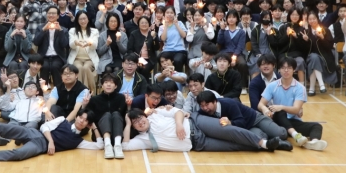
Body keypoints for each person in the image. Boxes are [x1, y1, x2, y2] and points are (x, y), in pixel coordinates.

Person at [0, 109, 102, 163]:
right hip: (35, 133)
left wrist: (95, 128)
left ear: (87, 124)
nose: (81, 121)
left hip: (39, 146)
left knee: (20, 154)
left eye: (85, 121)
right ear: (77, 117)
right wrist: (51, 141)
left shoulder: (78, 141)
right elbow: (44, 126)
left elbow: (99, 146)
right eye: (80, 117)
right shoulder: (63, 120)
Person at [122, 106, 285, 153]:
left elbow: (177, 112)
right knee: (233, 146)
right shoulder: (142, 139)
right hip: (198, 143)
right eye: (135, 123)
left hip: (196, 123)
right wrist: (127, 124)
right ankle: (269, 145)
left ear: (144, 116)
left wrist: (179, 124)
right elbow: (125, 146)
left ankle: (264, 143)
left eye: (140, 118)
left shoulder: (155, 114)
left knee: (229, 131)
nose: (140, 122)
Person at [258, 57, 327, 151]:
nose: (286, 70)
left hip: (293, 121)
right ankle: (296, 136)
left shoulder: (300, 88)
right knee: (280, 112)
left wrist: (281, 106)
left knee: (317, 126)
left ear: (294, 70)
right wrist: (265, 109)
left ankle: (314, 142)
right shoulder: (272, 86)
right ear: (279, 70)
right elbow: (260, 104)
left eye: (289, 68)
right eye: (283, 68)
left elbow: (296, 109)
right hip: (277, 122)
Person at [196, 91, 291, 149]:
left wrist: (230, 122)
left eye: (207, 105)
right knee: (258, 142)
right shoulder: (204, 111)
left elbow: (241, 122)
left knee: (281, 134)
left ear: (215, 101)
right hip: (247, 129)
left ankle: (279, 122)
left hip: (255, 118)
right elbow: (196, 115)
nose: (205, 108)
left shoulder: (229, 104)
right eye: (202, 106)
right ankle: (274, 141)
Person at [85, 73, 128, 159]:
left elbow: (126, 116)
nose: (108, 84)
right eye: (106, 82)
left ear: (116, 86)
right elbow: (88, 117)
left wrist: (129, 105)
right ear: (102, 85)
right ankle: (107, 145)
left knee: (116, 114)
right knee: (107, 115)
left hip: (118, 134)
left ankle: (117, 146)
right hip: (101, 135)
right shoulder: (94, 99)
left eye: (111, 82)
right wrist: (84, 105)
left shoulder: (121, 98)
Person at [32, 6, 69, 88]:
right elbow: (36, 42)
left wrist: (60, 31)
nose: (51, 15)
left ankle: (58, 90)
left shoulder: (63, 29)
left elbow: (65, 44)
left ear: (58, 16)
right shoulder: (40, 28)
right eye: (49, 13)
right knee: (44, 67)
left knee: (55, 67)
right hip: (44, 56)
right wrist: (43, 30)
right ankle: (42, 90)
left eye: (53, 13)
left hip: (57, 57)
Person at [302, 10, 337, 96]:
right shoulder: (306, 31)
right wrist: (306, 41)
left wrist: (322, 38)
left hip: (324, 57)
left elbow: (330, 46)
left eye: (314, 18)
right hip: (309, 57)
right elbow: (304, 49)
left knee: (314, 60)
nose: (312, 21)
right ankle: (321, 85)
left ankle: (312, 88)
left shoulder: (325, 30)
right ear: (308, 21)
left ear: (317, 19)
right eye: (310, 19)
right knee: (313, 57)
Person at [68, 11, 99, 92]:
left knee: (86, 68)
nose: (83, 21)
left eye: (84, 18)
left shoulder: (94, 31)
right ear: (77, 20)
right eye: (80, 19)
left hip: (89, 59)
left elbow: (95, 45)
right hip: (76, 59)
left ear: (88, 19)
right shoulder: (72, 31)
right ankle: (80, 91)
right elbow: (71, 45)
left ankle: (89, 91)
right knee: (79, 68)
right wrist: (76, 42)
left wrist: (89, 43)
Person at [277, 8, 308, 85]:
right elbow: (279, 43)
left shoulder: (302, 29)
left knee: (300, 61)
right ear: (289, 16)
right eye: (293, 15)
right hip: (284, 54)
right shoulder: (283, 27)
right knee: (283, 63)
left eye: (297, 15)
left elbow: (304, 47)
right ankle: (283, 84)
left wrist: (296, 37)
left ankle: (301, 85)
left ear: (299, 16)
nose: (295, 17)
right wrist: (286, 35)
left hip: (297, 54)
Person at [126, 15, 158, 81]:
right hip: (136, 59)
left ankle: (144, 84)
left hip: (149, 60)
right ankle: (136, 84)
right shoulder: (134, 34)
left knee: (144, 68)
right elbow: (129, 49)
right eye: (142, 23)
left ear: (149, 24)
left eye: (146, 23)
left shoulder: (152, 34)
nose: (144, 24)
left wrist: (154, 38)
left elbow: (156, 48)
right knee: (136, 68)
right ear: (138, 24)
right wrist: (136, 58)